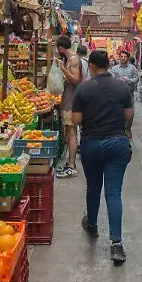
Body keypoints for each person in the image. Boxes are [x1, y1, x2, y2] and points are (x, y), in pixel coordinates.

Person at [73, 50, 134, 264]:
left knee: (93, 187)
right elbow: (128, 115)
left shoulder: (84, 88)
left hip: (92, 144)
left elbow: (76, 119)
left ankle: (92, 224)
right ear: (108, 65)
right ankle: (116, 244)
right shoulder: (121, 86)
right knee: (114, 193)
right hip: (117, 144)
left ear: (91, 66)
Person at [55, 35, 83, 179]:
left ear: (60, 47)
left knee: (72, 133)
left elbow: (76, 80)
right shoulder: (70, 59)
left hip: (72, 101)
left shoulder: (73, 59)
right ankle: (69, 163)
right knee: (69, 132)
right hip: (69, 100)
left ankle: (71, 166)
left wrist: (63, 70)